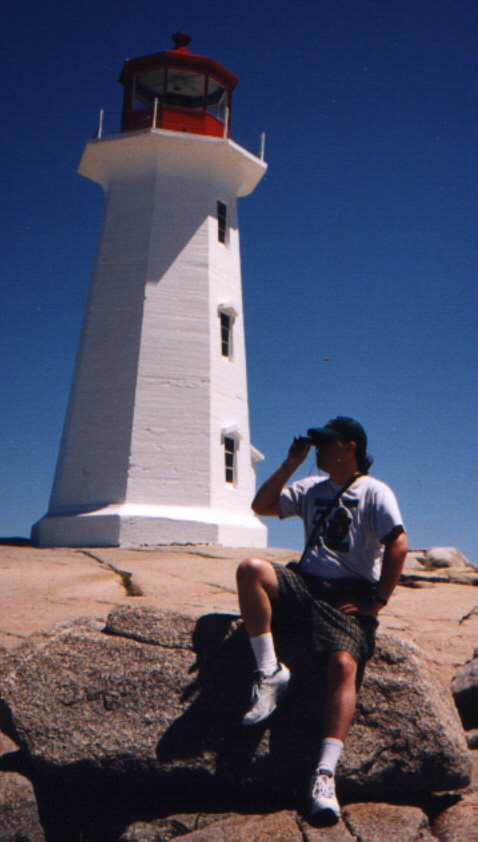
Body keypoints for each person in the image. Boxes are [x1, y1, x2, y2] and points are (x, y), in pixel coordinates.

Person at [236, 417, 408, 824]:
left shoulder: (374, 490)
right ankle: (270, 671)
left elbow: (398, 544)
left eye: (325, 444)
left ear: (348, 448)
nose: (318, 450)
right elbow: (261, 507)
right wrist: (289, 464)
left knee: (344, 664)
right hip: (306, 585)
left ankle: (325, 773)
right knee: (250, 569)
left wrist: (378, 601)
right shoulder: (309, 488)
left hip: (349, 597)